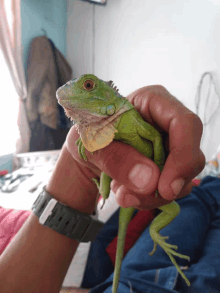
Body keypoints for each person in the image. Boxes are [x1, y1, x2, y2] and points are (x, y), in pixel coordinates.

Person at [0, 84, 214, 293]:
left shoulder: (128, 116)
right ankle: (213, 179)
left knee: (199, 196)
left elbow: (156, 138)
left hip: (138, 197)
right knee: (203, 194)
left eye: (88, 85)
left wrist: (78, 172)